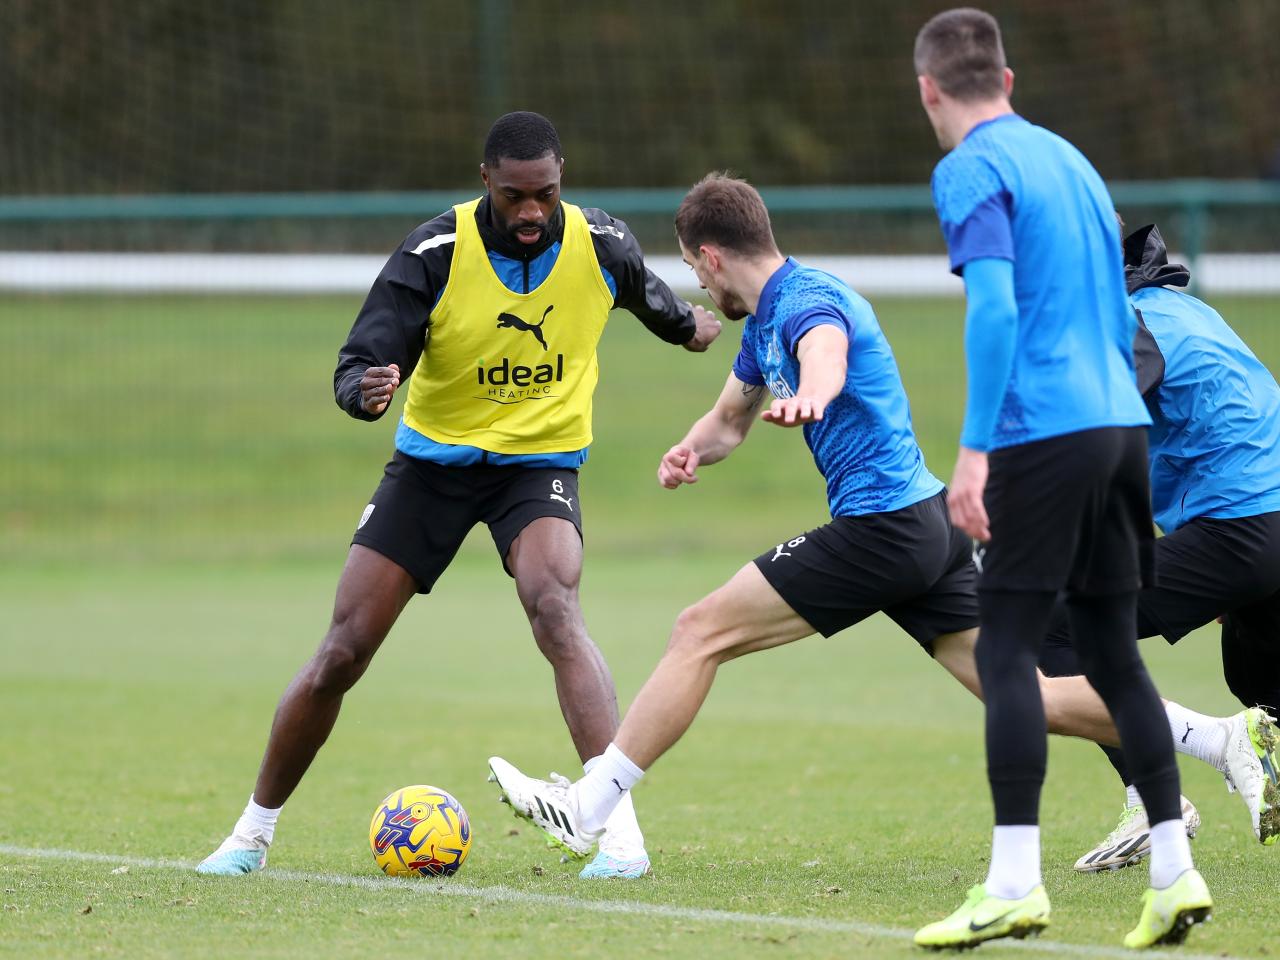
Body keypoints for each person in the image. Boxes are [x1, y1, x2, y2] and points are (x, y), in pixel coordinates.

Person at [483, 175, 1272, 902]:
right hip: (921, 530)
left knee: (699, 632)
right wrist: (693, 449)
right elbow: (729, 418)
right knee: (1024, 693)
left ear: (713, 255)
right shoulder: (762, 326)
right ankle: (1222, 739)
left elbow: (825, 355)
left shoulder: (806, 300)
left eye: (695, 268)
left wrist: (816, 396)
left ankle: (592, 804)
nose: (698, 283)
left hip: (882, 528)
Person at [196, 111, 721, 882]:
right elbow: (363, 357)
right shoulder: (434, 252)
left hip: (538, 463)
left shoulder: (600, 242)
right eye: (515, 196)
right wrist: (364, 391)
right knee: (342, 651)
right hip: (431, 471)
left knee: (555, 605)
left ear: (561, 178)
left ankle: (619, 837)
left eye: (545, 192)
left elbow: (653, 300)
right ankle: (251, 834)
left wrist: (692, 329)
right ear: (486, 183)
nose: (532, 211)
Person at [910, 9, 1216, 950]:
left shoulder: (968, 167)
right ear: (1009, 79)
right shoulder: (1070, 160)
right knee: (1114, 652)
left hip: (1045, 434)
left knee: (1006, 651)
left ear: (929, 91)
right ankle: (1174, 872)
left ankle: (1011, 883)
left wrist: (972, 451)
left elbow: (995, 308)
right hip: (1123, 428)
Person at [1041, 222, 1280, 873]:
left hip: (1242, 529)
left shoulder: (1120, 320)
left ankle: (1156, 800)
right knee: (1260, 686)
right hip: (1256, 526)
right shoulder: (1180, 308)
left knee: (1053, 625)